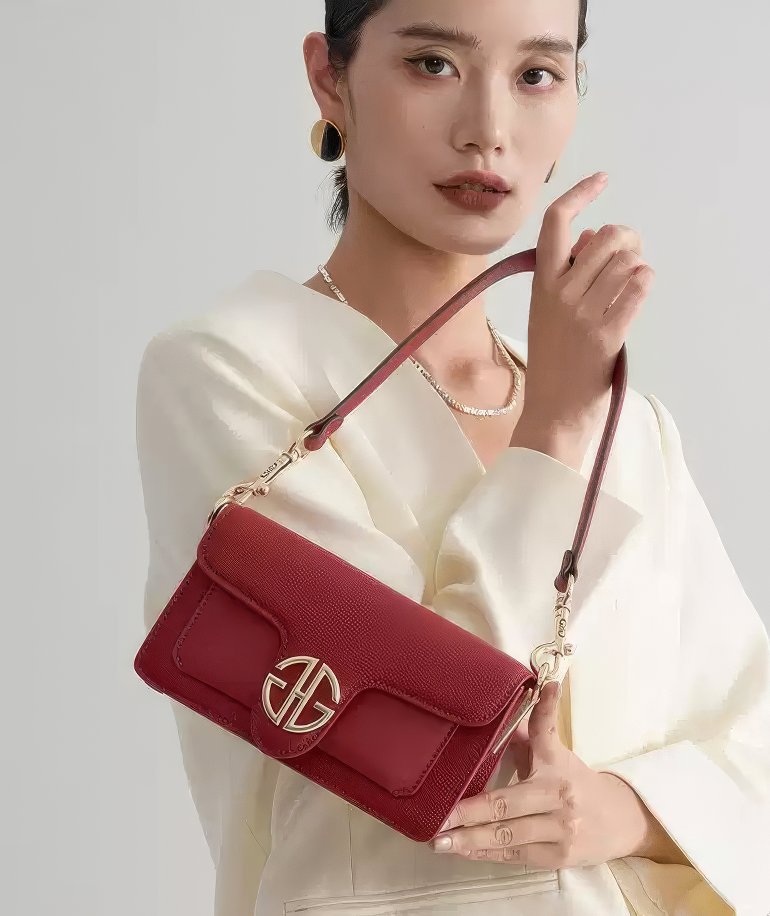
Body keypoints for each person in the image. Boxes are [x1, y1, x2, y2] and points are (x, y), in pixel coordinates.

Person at [135, 1, 770, 913]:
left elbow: (749, 738)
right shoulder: (233, 370)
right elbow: (404, 727)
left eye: (537, 75)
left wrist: (627, 810)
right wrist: (552, 430)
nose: (488, 129)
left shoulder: (629, 426)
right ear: (329, 79)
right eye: (433, 63)